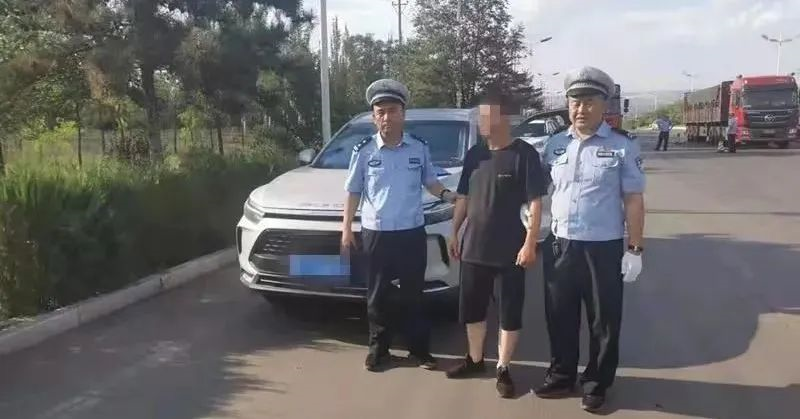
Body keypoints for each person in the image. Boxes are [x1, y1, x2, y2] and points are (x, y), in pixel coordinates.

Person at [533, 66, 646, 413]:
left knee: (603, 320)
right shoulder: (555, 144)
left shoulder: (622, 145)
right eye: (575, 102)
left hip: (603, 247)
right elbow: (542, 191)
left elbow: (633, 199)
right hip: (560, 244)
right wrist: (531, 220)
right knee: (559, 315)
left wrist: (635, 249)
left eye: (588, 102)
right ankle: (561, 374)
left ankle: (596, 383)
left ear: (604, 105)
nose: (580, 109)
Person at [342, 79, 457, 372]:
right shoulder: (364, 151)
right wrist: (346, 228)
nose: (386, 117)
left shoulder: (418, 148)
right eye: (380, 112)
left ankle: (419, 351)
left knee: (413, 294)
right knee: (377, 295)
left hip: (411, 232)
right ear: (373, 117)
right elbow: (353, 191)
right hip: (377, 233)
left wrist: (448, 195)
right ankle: (378, 351)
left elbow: (430, 182)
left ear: (403, 114)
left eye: (392, 110)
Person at [444, 90, 547, 398]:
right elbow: (464, 197)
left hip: (510, 250)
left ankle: (503, 368)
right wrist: (454, 232)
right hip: (474, 247)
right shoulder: (475, 154)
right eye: (479, 116)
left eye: (486, 116)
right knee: (473, 309)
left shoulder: (524, 155)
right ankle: (475, 360)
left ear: (504, 118)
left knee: (509, 311)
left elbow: (535, 202)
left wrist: (530, 243)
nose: (480, 121)